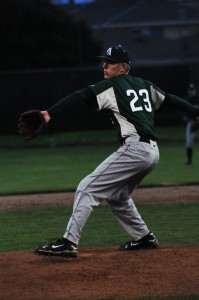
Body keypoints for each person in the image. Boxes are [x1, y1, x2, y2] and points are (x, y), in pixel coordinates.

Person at [35, 45, 199, 258]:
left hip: (136, 149)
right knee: (117, 196)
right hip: (152, 152)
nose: (105, 65)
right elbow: (170, 99)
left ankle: (68, 242)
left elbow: (80, 94)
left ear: (123, 67)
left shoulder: (111, 86)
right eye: (105, 61)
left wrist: (50, 113)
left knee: (87, 188)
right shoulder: (145, 84)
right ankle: (144, 237)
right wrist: (195, 111)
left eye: (110, 62)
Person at [183, 83, 199, 165]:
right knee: (189, 141)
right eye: (190, 90)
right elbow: (183, 113)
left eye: (192, 90)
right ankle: (189, 160)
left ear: (195, 91)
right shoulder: (187, 100)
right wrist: (185, 117)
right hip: (192, 122)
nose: (191, 92)